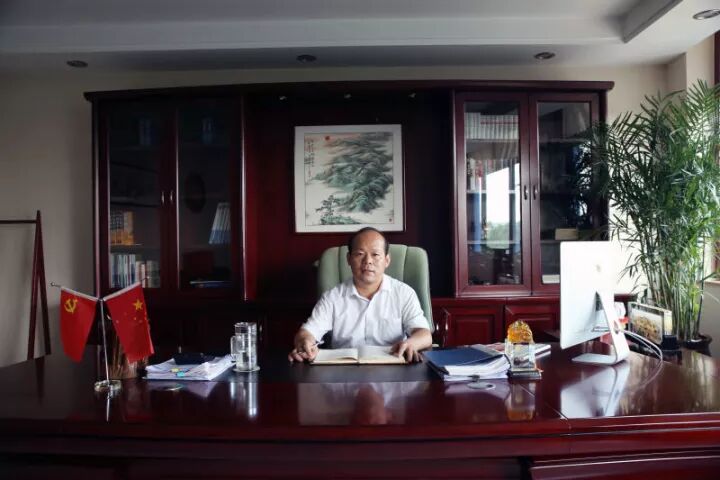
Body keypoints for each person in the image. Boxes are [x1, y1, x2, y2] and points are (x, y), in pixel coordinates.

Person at [288, 227, 432, 363]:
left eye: (375, 255)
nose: (368, 261)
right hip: (344, 370)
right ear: (349, 259)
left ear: (387, 260)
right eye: (359, 254)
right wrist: (305, 343)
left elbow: (424, 334)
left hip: (393, 367)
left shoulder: (404, 293)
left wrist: (411, 343)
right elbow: (307, 332)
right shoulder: (332, 297)